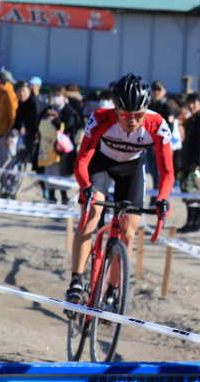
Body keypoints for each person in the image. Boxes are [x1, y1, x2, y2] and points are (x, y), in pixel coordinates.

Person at [66, 75, 174, 305]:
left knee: (129, 230)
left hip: (132, 169)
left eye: (139, 116)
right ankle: (76, 279)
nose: (133, 122)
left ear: (147, 109)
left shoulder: (158, 125)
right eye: (126, 116)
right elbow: (81, 163)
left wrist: (163, 199)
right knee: (92, 215)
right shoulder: (100, 119)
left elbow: (167, 173)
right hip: (101, 165)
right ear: (115, 109)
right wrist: (86, 188)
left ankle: (113, 291)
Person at [178, 93, 200, 233]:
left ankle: (197, 223)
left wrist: (198, 162)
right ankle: (190, 221)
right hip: (189, 162)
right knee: (188, 192)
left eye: (194, 103)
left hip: (197, 165)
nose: (191, 106)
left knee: (198, 192)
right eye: (189, 103)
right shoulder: (192, 119)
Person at [0, 70, 19, 170]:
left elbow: (13, 115)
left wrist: (10, 134)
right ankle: (4, 184)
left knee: (9, 164)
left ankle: (12, 185)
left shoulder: (9, 93)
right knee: (1, 163)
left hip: (7, 135)